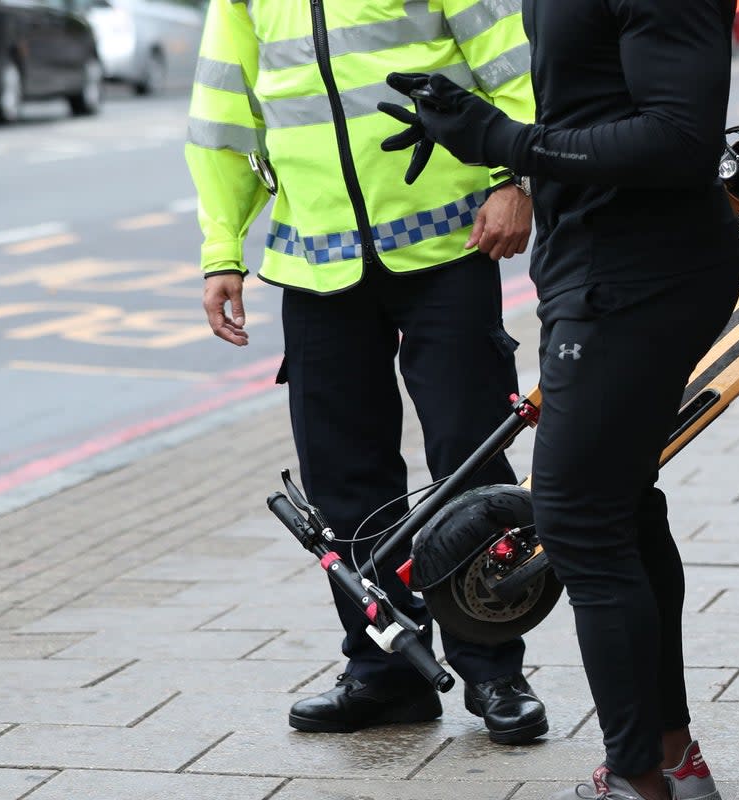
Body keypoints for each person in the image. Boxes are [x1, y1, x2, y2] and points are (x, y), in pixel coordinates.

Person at [380, 0, 739, 796]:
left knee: (579, 520)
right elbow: (588, 102)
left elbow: (679, 139)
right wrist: (471, 124)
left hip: (641, 277)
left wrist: (507, 144)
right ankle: (670, 756)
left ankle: (638, 780)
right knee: (621, 507)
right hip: (599, 265)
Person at [184, 0, 549, 745]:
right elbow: (225, 118)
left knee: (470, 462)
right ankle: (386, 672)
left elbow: (514, 66)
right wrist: (222, 247)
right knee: (343, 476)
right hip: (314, 261)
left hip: (450, 242)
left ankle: (492, 671)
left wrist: (517, 176)